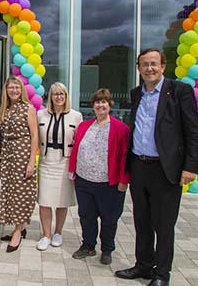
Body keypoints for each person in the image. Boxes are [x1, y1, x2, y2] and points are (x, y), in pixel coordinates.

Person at [115, 49, 198, 286]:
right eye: (144, 64)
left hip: (165, 169)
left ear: (163, 66)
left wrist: (190, 166)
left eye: (153, 64)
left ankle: (162, 274)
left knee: (163, 225)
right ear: (139, 68)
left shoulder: (179, 91)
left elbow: (193, 131)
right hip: (139, 166)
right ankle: (143, 266)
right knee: (141, 221)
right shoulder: (136, 94)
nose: (149, 68)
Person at [68, 88, 130, 265]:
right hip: (84, 180)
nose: (100, 105)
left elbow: (126, 157)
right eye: (97, 102)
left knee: (109, 218)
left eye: (104, 102)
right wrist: (72, 170)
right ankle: (88, 245)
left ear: (110, 105)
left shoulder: (121, 129)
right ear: (93, 105)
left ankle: (107, 249)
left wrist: (124, 181)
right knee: (86, 215)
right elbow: (76, 150)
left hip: (108, 183)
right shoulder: (84, 126)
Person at [36, 82, 82, 251]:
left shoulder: (76, 116)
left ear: (66, 96)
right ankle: (46, 235)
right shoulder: (41, 114)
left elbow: (79, 143)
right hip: (46, 162)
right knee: (45, 201)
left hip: (65, 163)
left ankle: (58, 233)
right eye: (55, 94)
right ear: (50, 97)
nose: (59, 97)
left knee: (62, 201)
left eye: (62, 94)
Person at [0, 76, 38, 253]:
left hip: (22, 153)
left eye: (16, 87)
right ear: (6, 91)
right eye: (10, 88)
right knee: (10, 191)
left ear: (21, 89)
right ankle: (19, 227)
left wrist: (31, 162)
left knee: (21, 192)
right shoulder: (4, 109)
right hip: (7, 154)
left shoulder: (28, 108)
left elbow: (35, 136)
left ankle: (17, 233)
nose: (14, 90)